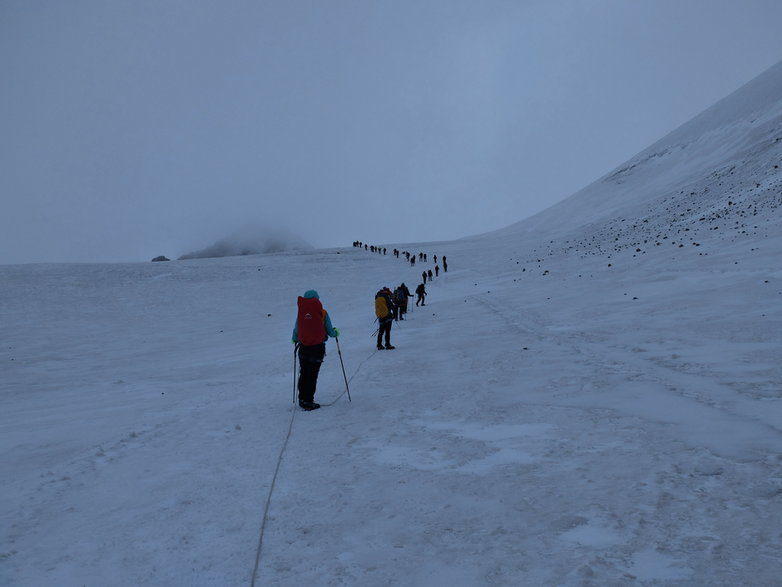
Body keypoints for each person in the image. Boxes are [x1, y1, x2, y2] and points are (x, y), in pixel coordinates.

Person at [292, 290, 339, 411]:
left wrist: (295, 339)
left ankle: (302, 398)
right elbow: (329, 330)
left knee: (304, 373)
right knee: (312, 375)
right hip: (317, 348)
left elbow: (296, 330)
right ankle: (308, 400)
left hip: (303, 347)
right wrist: (335, 333)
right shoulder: (322, 313)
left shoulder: (301, 313)